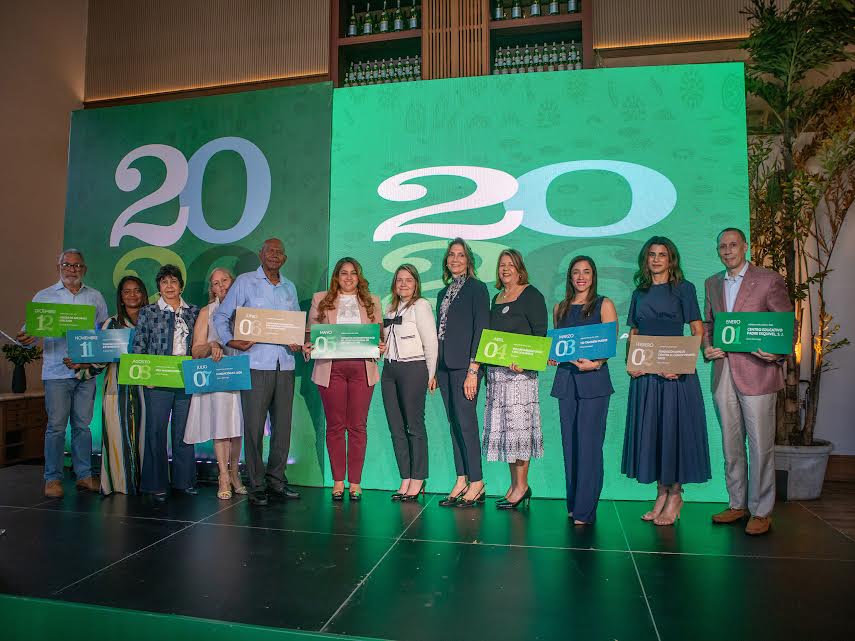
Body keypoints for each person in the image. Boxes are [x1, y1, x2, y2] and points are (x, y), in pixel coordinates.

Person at [703, 228, 792, 536]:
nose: (727, 250)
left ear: (745, 247)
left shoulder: (768, 280)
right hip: (723, 371)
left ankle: (762, 510)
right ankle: (737, 503)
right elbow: (710, 323)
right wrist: (707, 346)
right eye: (722, 246)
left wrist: (777, 352)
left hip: (758, 372)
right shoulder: (712, 283)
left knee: (760, 445)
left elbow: (786, 323)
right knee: (731, 442)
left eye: (733, 245)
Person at [622, 236, 711, 526]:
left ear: (671, 259)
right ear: (645, 260)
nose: (657, 259)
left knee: (674, 433)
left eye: (662, 254)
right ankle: (661, 492)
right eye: (652, 254)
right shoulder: (639, 292)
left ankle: (675, 495)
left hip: (675, 376)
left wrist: (684, 366)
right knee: (655, 434)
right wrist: (630, 363)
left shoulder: (684, 289)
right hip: (646, 376)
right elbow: (634, 332)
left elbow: (696, 329)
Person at [213, 238, 302, 506]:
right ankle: (256, 484)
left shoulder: (289, 287)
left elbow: (295, 325)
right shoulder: (245, 282)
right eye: (269, 251)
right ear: (261, 255)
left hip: (284, 364)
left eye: (279, 252)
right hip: (255, 364)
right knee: (253, 428)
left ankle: (277, 481)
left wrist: (297, 340)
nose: (274, 255)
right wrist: (231, 341)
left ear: (284, 259)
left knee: (282, 428)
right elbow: (221, 316)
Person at [17, 249, 108, 498]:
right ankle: (52, 479)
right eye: (67, 265)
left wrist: (89, 361)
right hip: (56, 373)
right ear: (58, 267)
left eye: (77, 266)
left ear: (84, 269)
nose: (72, 269)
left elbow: (102, 333)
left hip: (85, 373)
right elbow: (29, 333)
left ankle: (84, 475)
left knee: (83, 426)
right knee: (56, 427)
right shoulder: (44, 296)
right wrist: (26, 339)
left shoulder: (95, 297)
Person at [306, 258, 382, 501]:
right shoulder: (321, 299)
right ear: (336, 277)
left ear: (359, 277)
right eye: (344, 273)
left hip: (362, 368)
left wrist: (381, 345)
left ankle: (355, 483)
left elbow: (379, 335)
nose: (349, 278)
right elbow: (310, 333)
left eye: (353, 273)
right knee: (336, 426)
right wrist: (308, 345)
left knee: (358, 426)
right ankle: (338, 481)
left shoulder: (372, 301)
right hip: (331, 369)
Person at [550, 256, 617, 525]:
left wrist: (597, 363)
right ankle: (574, 503)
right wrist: (552, 356)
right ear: (570, 276)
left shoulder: (604, 304)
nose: (581, 277)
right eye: (576, 272)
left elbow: (610, 344)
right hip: (566, 381)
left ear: (593, 276)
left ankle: (585, 510)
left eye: (586, 272)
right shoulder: (559, 308)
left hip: (594, 381)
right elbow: (558, 346)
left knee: (589, 446)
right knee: (570, 445)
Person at [483, 249, 547, 510]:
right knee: (508, 433)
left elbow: (540, 336)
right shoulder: (497, 298)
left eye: (511, 264)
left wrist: (526, 363)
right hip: (498, 376)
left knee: (520, 432)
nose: (506, 269)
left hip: (520, 378)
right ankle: (515, 485)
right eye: (502, 265)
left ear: (520, 269)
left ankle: (522, 486)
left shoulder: (532, 295)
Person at [132, 264, 199, 502]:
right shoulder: (149, 312)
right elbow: (139, 346)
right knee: (156, 432)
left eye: (173, 281)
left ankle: (184, 481)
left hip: (186, 379)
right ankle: (155, 484)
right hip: (157, 380)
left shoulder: (194, 312)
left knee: (184, 432)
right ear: (159, 287)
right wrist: (145, 377)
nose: (169, 286)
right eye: (164, 282)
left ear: (181, 285)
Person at [434, 237, 490, 508]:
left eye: (461, 255)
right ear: (446, 261)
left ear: (468, 260)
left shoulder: (477, 288)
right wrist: (435, 369)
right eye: (451, 255)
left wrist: (473, 370)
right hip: (444, 367)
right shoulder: (442, 293)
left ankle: (477, 482)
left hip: (466, 367)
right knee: (454, 422)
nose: (455, 259)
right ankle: (461, 479)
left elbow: (482, 330)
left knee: (467, 423)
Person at [183, 268, 246, 501]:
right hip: (218, 377)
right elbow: (196, 350)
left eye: (225, 280)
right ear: (212, 289)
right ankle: (223, 476)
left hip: (242, 374)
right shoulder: (206, 312)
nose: (222, 286)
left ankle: (235, 473)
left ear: (234, 282)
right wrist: (212, 346)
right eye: (216, 283)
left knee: (238, 427)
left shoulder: (246, 310)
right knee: (221, 427)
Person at [380, 264, 438, 502]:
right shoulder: (389, 308)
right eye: (399, 280)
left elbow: (431, 342)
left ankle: (418, 477)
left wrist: (431, 374)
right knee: (396, 428)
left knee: (414, 426)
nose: (403, 284)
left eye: (408, 280)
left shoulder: (421, 306)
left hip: (413, 369)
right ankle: (405, 477)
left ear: (416, 284)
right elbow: (385, 340)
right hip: (389, 370)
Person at [98, 275, 148, 495]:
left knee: (146, 437)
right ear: (120, 296)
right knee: (117, 437)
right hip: (116, 389)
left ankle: (147, 484)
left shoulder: (152, 320)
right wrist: (81, 364)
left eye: (136, 290)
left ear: (143, 293)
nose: (132, 295)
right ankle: (119, 484)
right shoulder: (111, 323)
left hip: (146, 389)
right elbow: (99, 358)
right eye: (126, 291)